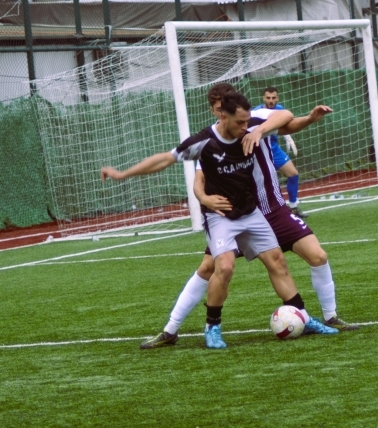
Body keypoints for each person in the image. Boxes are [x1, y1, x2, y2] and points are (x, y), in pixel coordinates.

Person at [101, 92, 339, 349]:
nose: (245, 127)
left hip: (252, 211)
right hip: (221, 216)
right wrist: (123, 174)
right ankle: (210, 327)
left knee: (277, 261)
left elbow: (285, 117)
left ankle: (304, 317)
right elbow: (166, 159)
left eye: (247, 122)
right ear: (222, 116)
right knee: (222, 267)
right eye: (240, 122)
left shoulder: (251, 128)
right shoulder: (205, 142)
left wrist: (261, 130)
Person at [254, 86, 308, 218]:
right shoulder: (256, 112)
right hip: (261, 150)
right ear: (263, 98)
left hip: (274, 149)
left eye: (273, 98)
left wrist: (288, 139)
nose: (271, 100)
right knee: (261, 182)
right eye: (268, 98)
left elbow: (283, 125)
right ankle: (258, 211)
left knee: (293, 174)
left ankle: (293, 207)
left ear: (277, 98)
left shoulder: (280, 109)